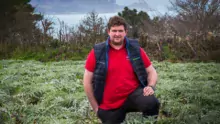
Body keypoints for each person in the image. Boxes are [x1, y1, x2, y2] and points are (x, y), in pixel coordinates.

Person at [83, 16, 160, 124]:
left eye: (120, 31)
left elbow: (151, 71)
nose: (117, 34)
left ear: (126, 32)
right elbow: (86, 82)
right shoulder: (97, 52)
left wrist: (151, 86)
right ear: (108, 31)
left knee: (152, 102)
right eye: (114, 31)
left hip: (133, 95)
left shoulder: (135, 49)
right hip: (109, 103)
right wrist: (96, 108)